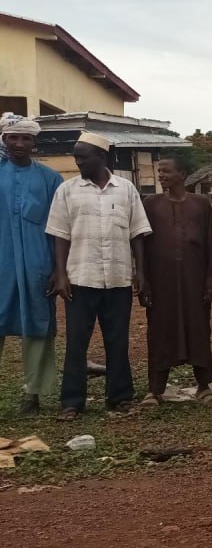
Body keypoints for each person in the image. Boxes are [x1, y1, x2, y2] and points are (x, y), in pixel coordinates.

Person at [45, 131, 151, 420]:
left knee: (117, 340)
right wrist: (61, 274)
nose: (77, 162)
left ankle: (120, 397)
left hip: (118, 278)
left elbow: (137, 233)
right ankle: (71, 402)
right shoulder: (67, 191)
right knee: (77, 343)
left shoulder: (126, 189)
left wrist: (140, 272)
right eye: (76, 156)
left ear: (101, 157)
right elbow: (59, 235)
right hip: (80, 278)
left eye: (82, 156)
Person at [139, 151, 212, 406]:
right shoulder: (150, 203)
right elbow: (141, 243)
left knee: (199, 329)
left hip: (194, 279)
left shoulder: (201, 203)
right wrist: (143, 279)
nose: (161, 175)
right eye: (159, 171)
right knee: (159, 330)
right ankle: (155, 389)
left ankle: (204, 386)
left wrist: (211, 279)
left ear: (182, 175)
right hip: (161, 281)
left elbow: (210, 245)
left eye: (167, 171)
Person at [0, 118, 62, 416]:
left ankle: (32, 395)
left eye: (25, 139)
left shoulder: (51, 179)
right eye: (13, 138)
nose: (20, 144)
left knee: (38, 326)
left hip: (39, 264)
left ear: (34, 143)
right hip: (1, 265)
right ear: (4, 140)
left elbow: (60, 228)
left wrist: (57, 269)